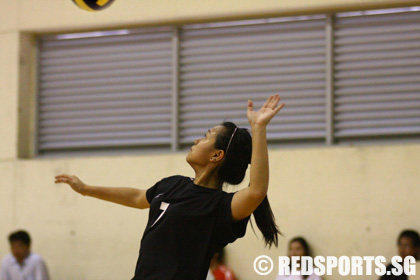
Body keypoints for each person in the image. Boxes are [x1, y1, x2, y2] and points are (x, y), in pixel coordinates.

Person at [55, 94, 284, 280]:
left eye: (205, 137)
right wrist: (86, 189)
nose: (196, 141)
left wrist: (259, 129)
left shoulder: (220, 206)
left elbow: (256, 191)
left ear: (217, 155)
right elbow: (136, 198)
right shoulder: (173, 184)